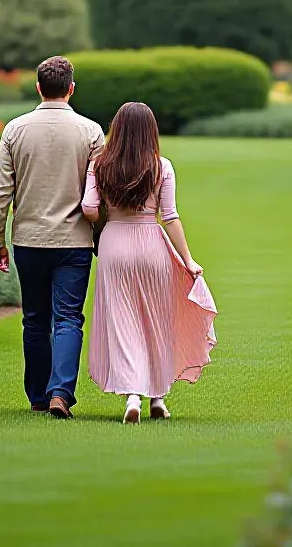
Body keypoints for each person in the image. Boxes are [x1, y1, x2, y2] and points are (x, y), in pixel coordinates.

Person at [83, 102, 216, 424]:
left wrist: (105, 218)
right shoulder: (161, 166)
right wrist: (188, 259)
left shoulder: (100, 164)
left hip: (115, 244)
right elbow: (169, 216)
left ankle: (132, 395)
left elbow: (89, 207)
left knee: (123, 321)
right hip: (152, 245)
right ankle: (158, 398)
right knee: (156, 322)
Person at [0, 56, 104, 419]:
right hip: (73, 241)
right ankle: (61, 391)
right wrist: (101, 236)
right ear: (71, 88)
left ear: (39, 88)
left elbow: (0, 192)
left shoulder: (15, 130)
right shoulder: (91, 132)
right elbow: (98, 194)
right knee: (68, 318)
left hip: (29, 238)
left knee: (34, 318)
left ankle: (39, 394)